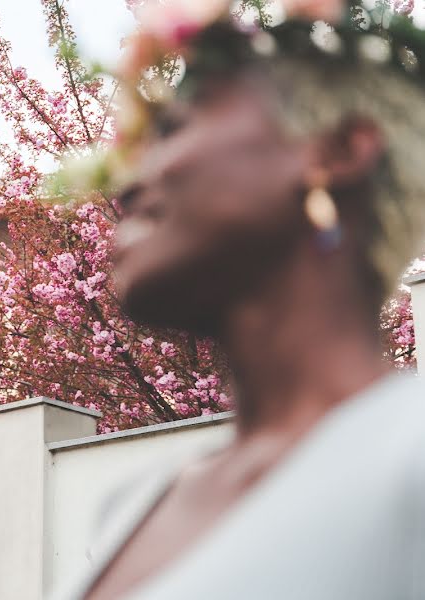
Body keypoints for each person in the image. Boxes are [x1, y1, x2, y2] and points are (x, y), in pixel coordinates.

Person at [58, 1, 425, 599]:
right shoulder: (133, 506)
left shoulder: (412, 457)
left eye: (173, 129)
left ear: (331, 151)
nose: (125, 183)